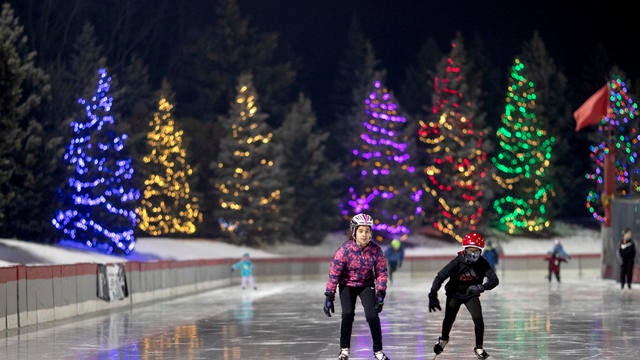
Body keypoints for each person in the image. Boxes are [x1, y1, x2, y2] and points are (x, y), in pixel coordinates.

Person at [323, 213, 390, 360]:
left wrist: (381, 293)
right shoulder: (344, 251)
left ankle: (378, 351)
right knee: (347, 314)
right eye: (361, 231)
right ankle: (344, 350)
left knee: (372, 315)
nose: (364, 235)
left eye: (367, 231)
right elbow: (334, 273)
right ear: (354, 232)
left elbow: (381, 272)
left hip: (366, 285)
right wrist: (329, 295)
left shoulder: (376, 250)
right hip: (347, 284)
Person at [427, 232, 499, 360]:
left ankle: (479, 348)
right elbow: (440, 276)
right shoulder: (457, 262)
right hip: (454, 294)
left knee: (478, 319)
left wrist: (481, 287)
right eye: (470, 250)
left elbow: (494, 280)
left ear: (480, 251)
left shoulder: (482, 263)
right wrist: (432, 294)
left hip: (471, 296)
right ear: (465, 250)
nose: (473, 254)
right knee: (449, 319)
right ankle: (443, 339)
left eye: (476, 251)